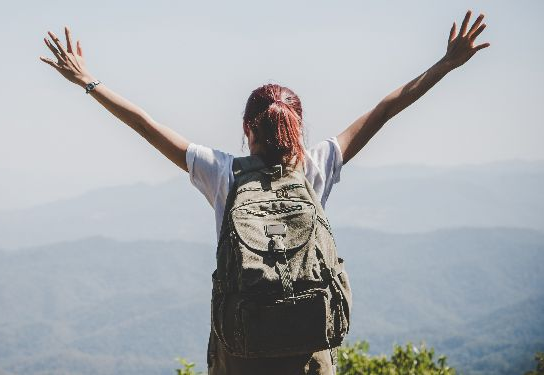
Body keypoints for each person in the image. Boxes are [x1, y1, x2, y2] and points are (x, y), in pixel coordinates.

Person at [39, 10, 489, 375]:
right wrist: (445, 65)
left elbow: (145, 125)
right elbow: (385, 109)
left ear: (246, 129)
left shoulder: (220, 172)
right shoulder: (316, 166)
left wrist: (88, 82)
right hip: (307, 358)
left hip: (242, 352)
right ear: (299, 123)